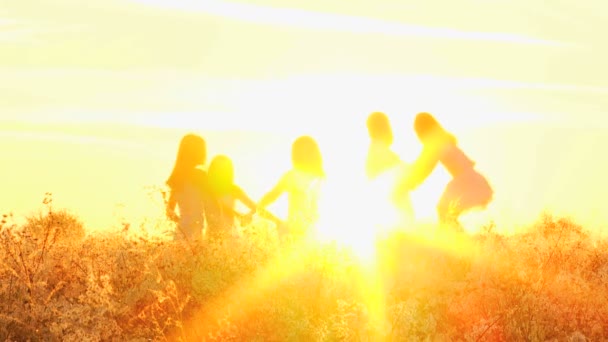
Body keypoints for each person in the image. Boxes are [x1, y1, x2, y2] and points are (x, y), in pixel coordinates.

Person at [395, 112, 493, 230]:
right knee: (446, 212)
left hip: (467, 181)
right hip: (470, 180)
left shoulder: (436, 142)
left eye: (417, 131)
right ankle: (460, 240)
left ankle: (457, 242)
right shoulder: (441, 139)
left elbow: (425, 167)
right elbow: (423, 165)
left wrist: (409, 183)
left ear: (422, 129)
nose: (417, 135)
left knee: (444, 210)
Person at [257, 135, 325, 241]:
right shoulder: (291, 176)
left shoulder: (320, 178)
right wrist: (256, 208)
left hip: (311, 232)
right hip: (293, 232)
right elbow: (272, 196)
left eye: (308, 152)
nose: (305, 155)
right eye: (302, 152)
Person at [366, 112, 414, 225]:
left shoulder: (377, 149)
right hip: (394, 209)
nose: (391, 130)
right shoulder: (379, 150)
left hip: (391, 208)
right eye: (387, 126)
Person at [165, 133, 209, 242]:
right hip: (196, 235)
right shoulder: (201, 176)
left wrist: (183, 222)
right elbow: (211, 204)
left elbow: (169, 212)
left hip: (180, 233)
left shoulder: (177, 178)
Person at [206, 154, 257, 240]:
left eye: (224, 169)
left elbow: (254, 207)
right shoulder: (206, 189)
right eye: (217, 168)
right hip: (211, 236)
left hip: (230, 235)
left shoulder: (233, 189)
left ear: (228, 171)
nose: (220, 172)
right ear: (212, 170)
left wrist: (247, 216)